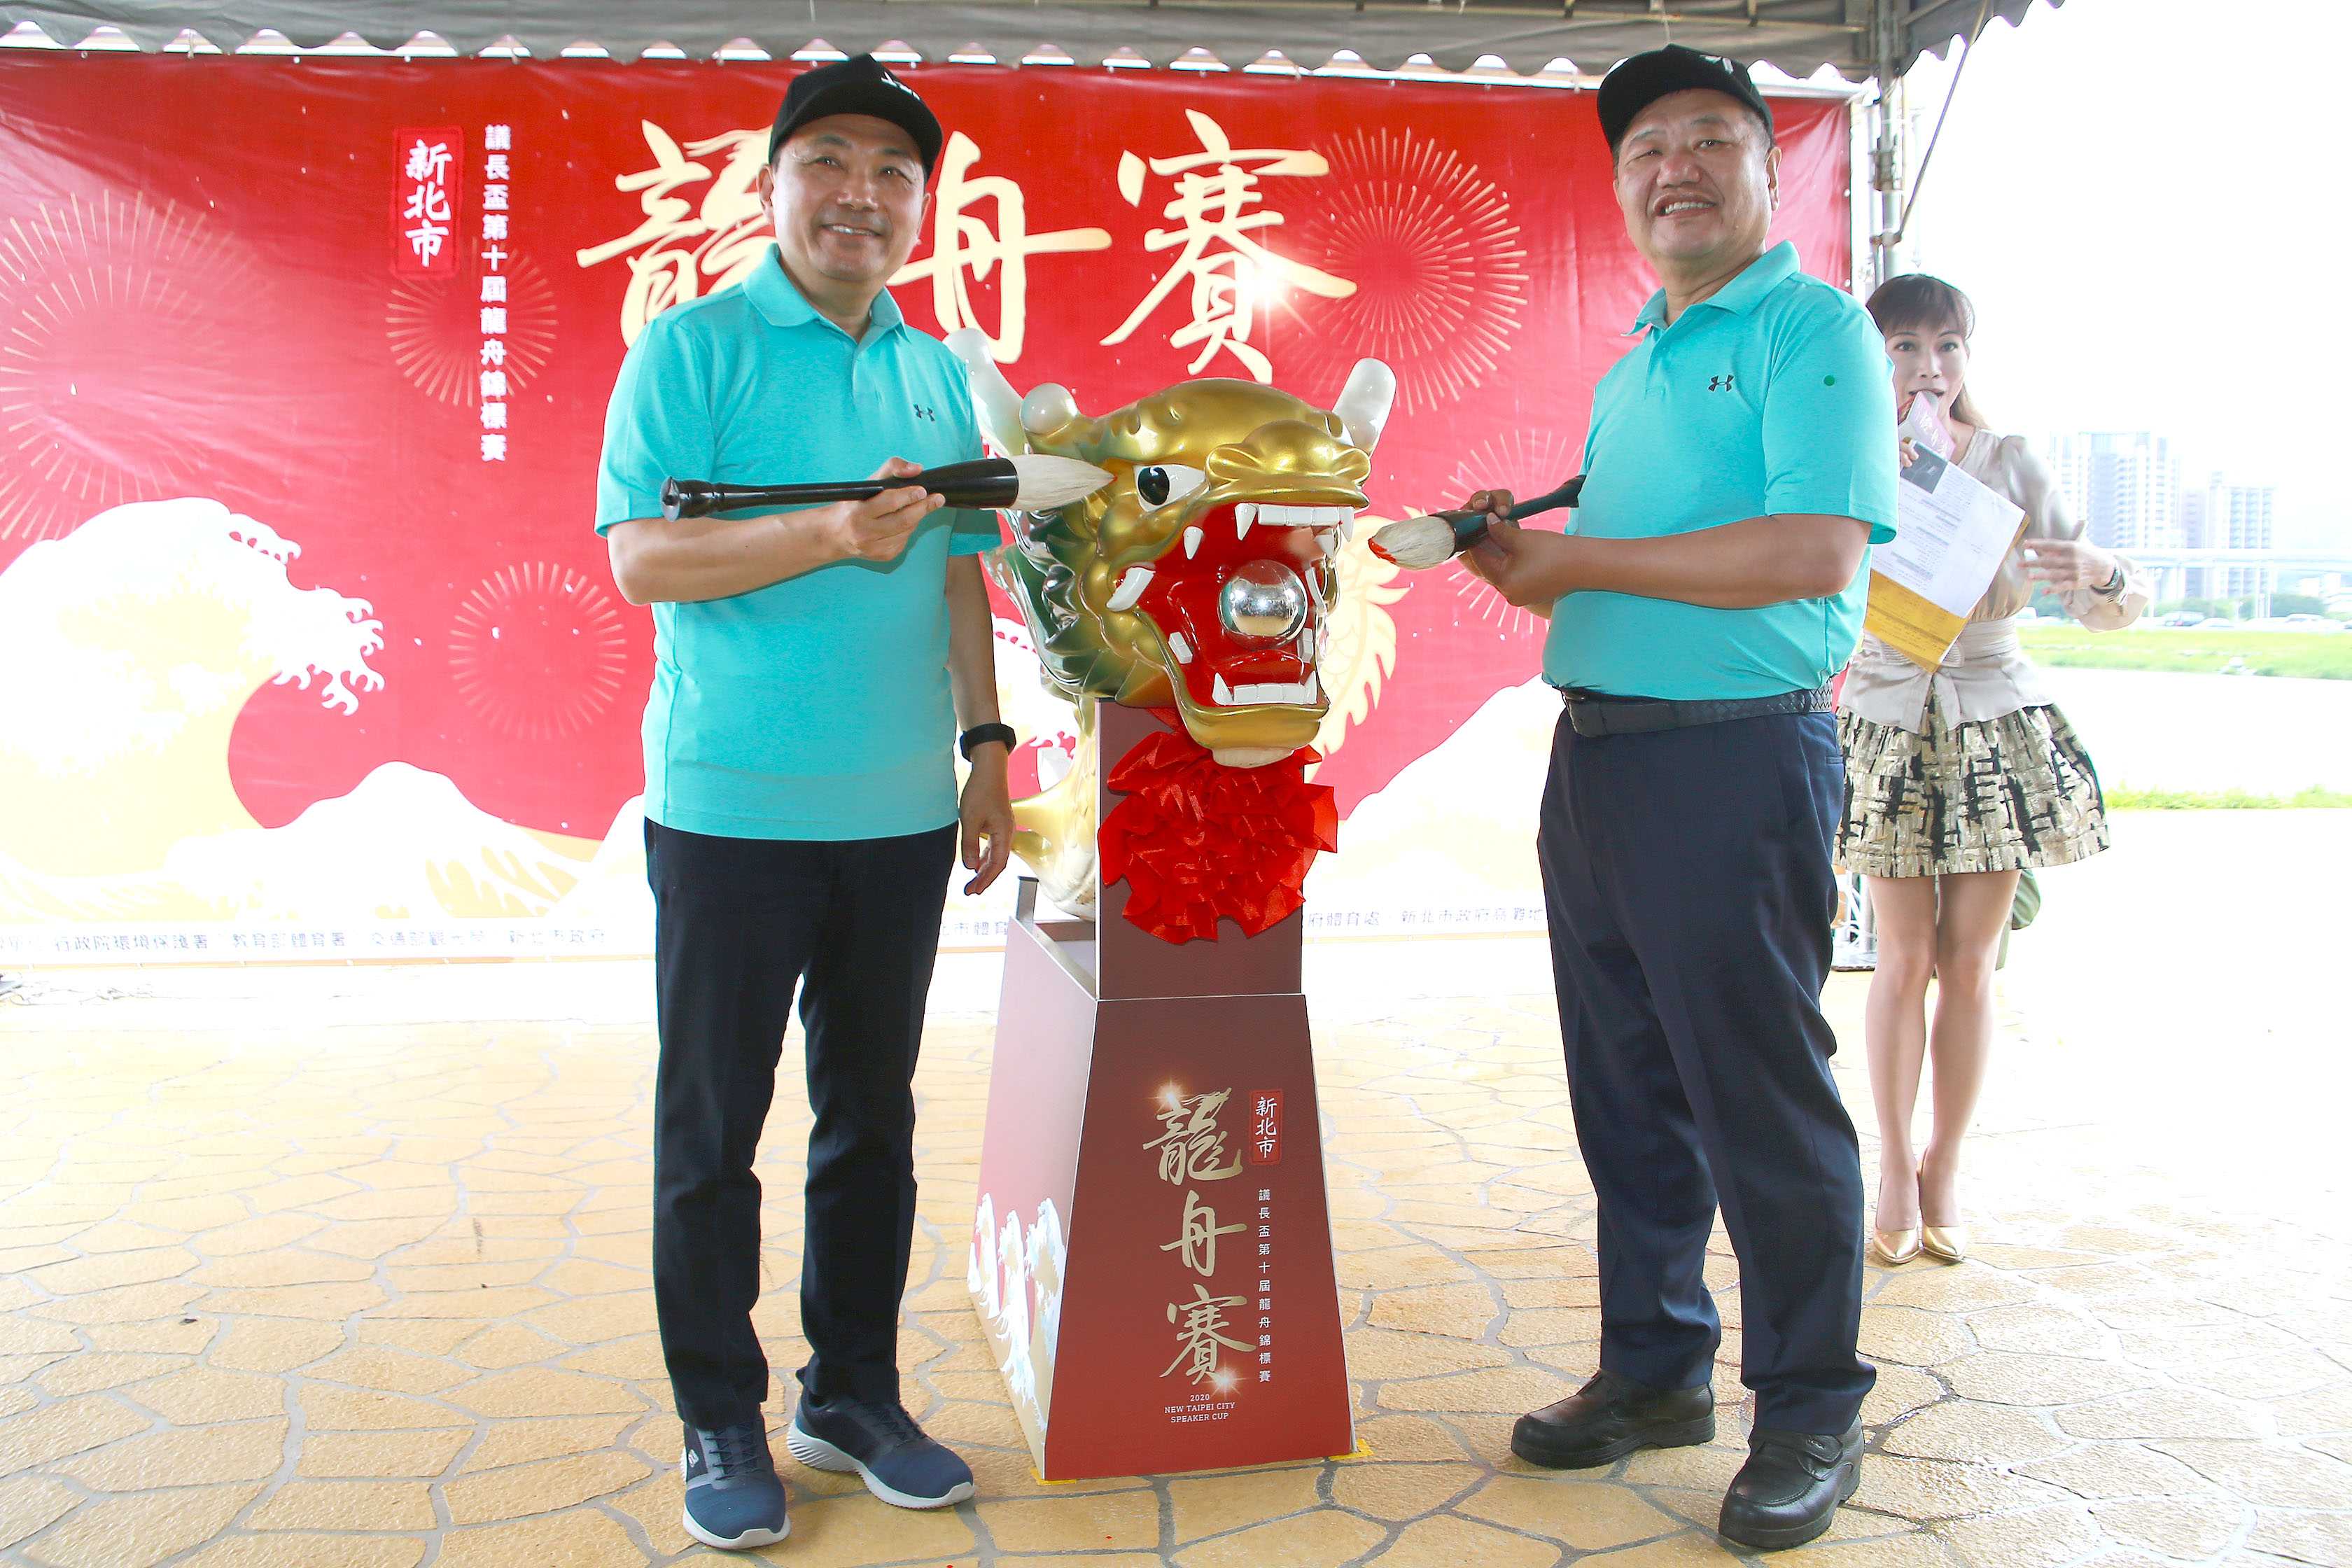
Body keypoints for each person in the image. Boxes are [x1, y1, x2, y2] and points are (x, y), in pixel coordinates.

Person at [1455, 46, 1896, 1553]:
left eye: (1711, 138)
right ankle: (1654, 1368)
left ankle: (1812, 1405)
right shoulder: (1635, 359)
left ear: (1772, 169)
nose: (1677, 168)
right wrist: (1523, 551)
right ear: (1622, 187)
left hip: (1736, 759)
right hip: (1601, 758)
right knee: (1629, 1091)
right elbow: (1607, 569)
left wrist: (1576, 561)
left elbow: (1813, 553)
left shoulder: (1813, 329)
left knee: (1757, 1094)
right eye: (1647, 149)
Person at [595, 57, 1015, 1553]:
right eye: (827, 160)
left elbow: (960, 572)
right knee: (713, 1132)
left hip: (899, 812)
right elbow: (644, 559)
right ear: (771, 186)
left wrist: (984, 748)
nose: (861, 194)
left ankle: (851, 1395)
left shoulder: (934, 369)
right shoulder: (691, 350)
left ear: (922, 205)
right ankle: (719, 1411)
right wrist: (832, 532)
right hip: (731, 810)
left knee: (871, 1123)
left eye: (894, 172)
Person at [1839, 274, 2145, 1269]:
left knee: (1971, 964)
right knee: (1902, 957)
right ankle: (1892, 1167)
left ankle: (1946, 1169)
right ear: (1872, 356)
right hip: (1888, 714)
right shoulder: (1843, 456)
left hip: (1993, 716)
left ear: (1967, 358)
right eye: (1904, 347)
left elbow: (2106, 599)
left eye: (1947, 346)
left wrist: (2101, 573)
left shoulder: (2010, 460)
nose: (1928, 368)